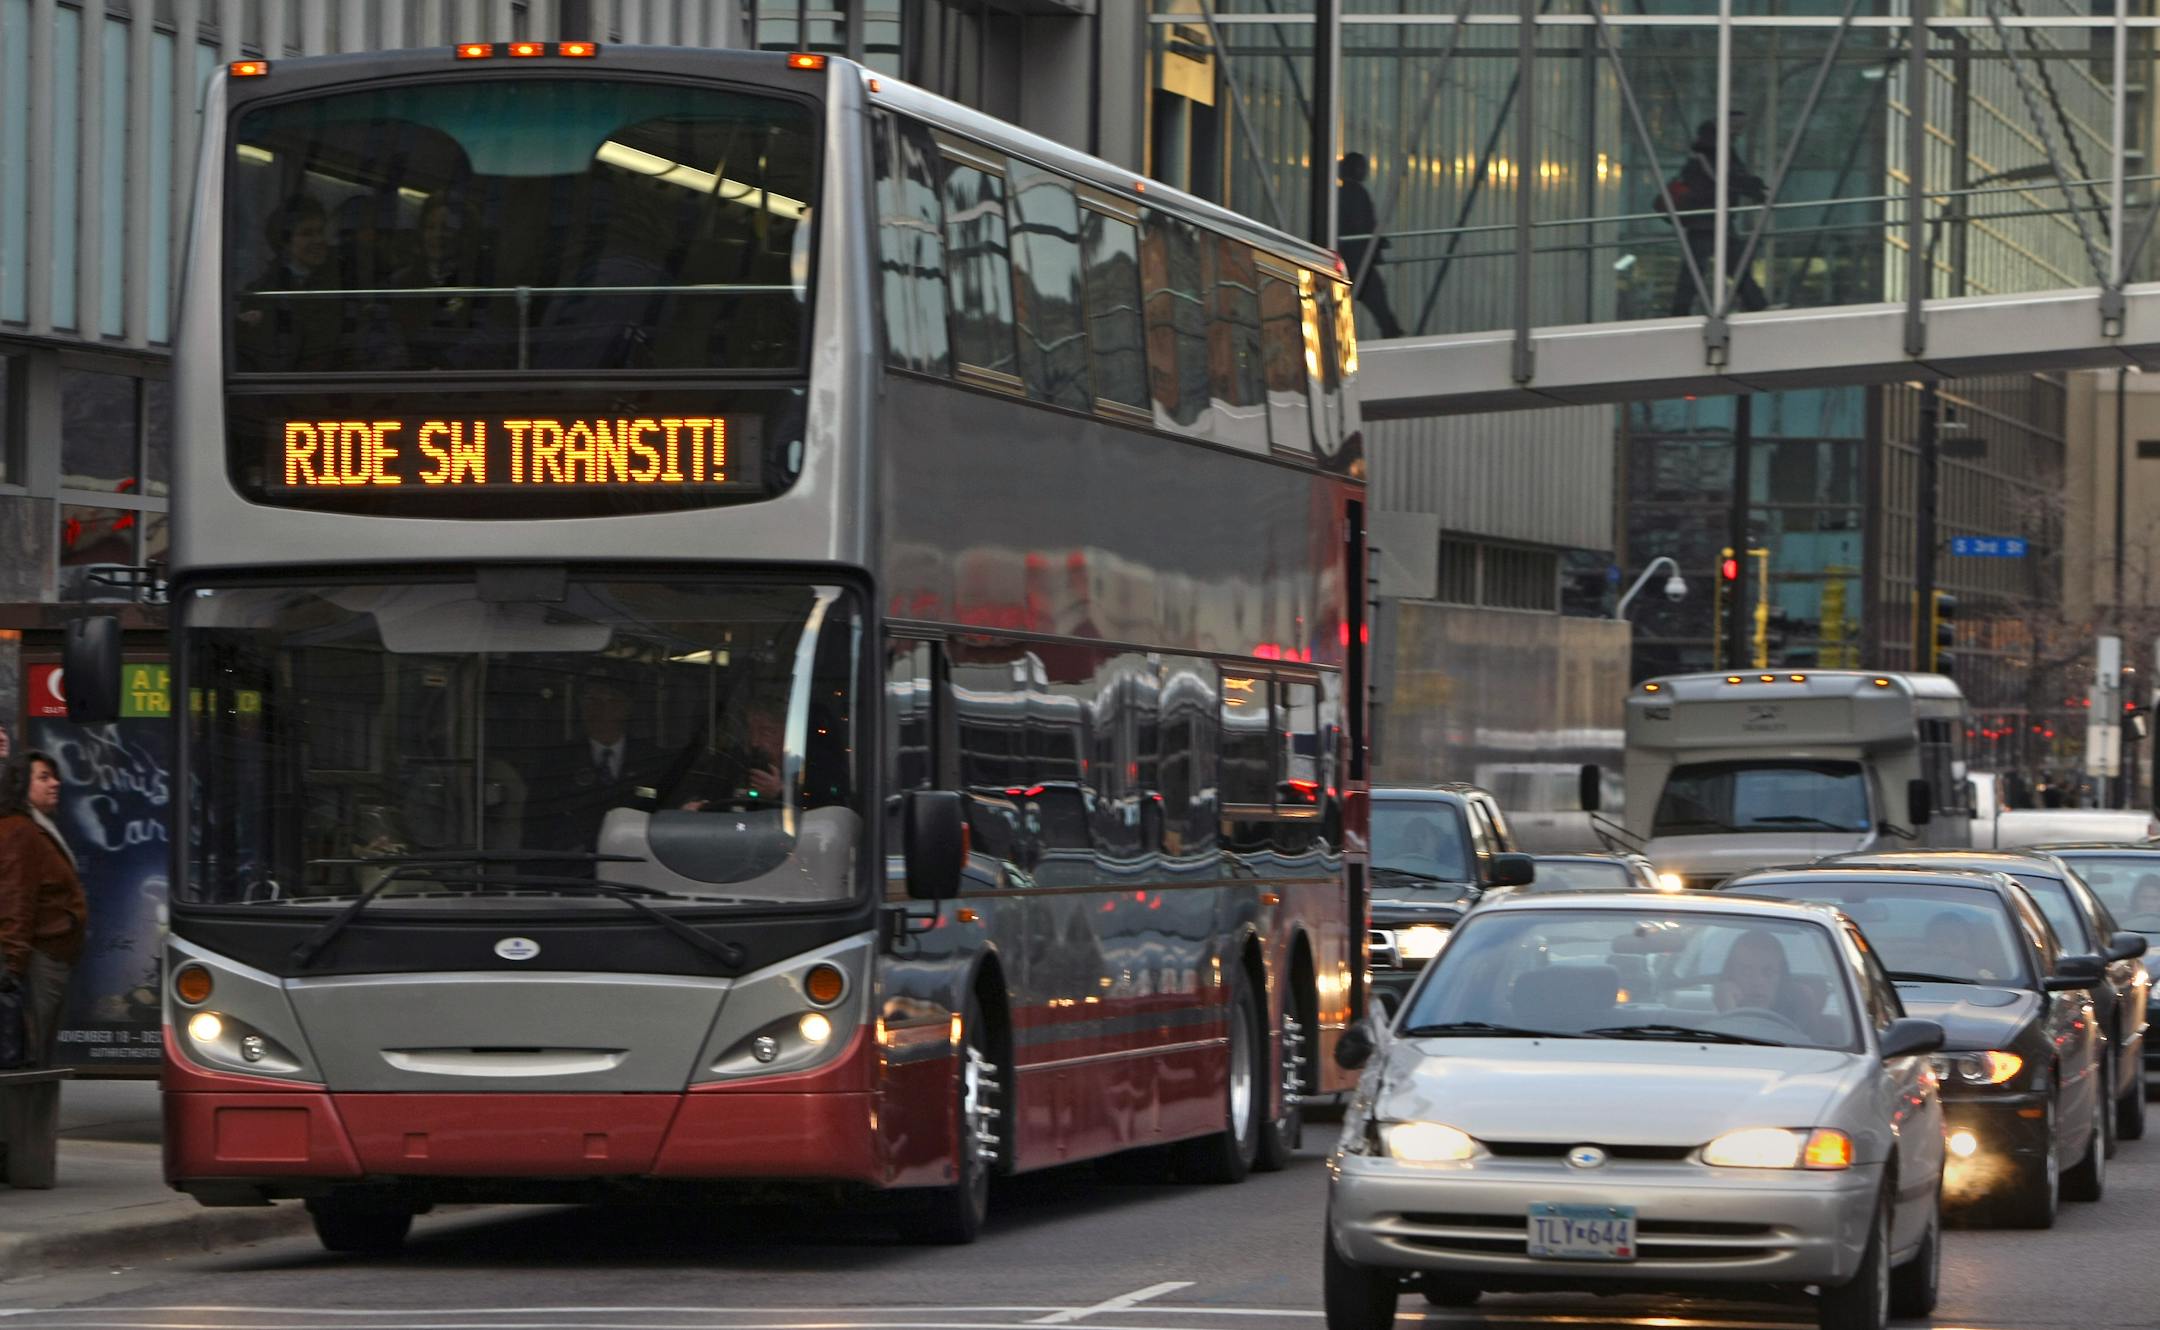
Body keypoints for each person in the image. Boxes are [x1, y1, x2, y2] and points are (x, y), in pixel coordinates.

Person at [0, 752, 86, 1066]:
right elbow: (15, 899)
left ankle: (33, 1115)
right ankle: (25, 1117)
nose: (55, 783)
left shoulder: (37, 828)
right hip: (37, 961)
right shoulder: (21, 831)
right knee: (30, 1054)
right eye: (43, 777)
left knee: (36, 1051)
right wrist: (14, 965)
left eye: (54, 776)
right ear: (21, 784)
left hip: (46, 957)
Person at [1665, 115, 1770, 317]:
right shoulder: (1714, 149)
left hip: (1709, 218)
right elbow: (1729, 176)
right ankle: (1758, 306)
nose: (1739, 130)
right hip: (1707, 218)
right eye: (1736, 125)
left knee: (1713, 267)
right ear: (1724, 124)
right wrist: (1756, 189)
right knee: (1714, 267)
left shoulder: (1709, 147)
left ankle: (1758, 305)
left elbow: (1731, 176)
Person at [236, 193, 338, 372]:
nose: (319, 240)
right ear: (285, 243)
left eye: (320, 231)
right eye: (307, 234)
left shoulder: (341, 282)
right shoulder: (261, 293)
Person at [1337, 153, 1404, 339]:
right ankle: (1392, 336)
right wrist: (1378, 244)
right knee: (1378, 302)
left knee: (1367, 302)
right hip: (1359, 262)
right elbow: (1362, 226)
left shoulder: (1340, 194)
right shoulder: (1357, 194)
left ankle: (1391, 332)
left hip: (1346, 260)